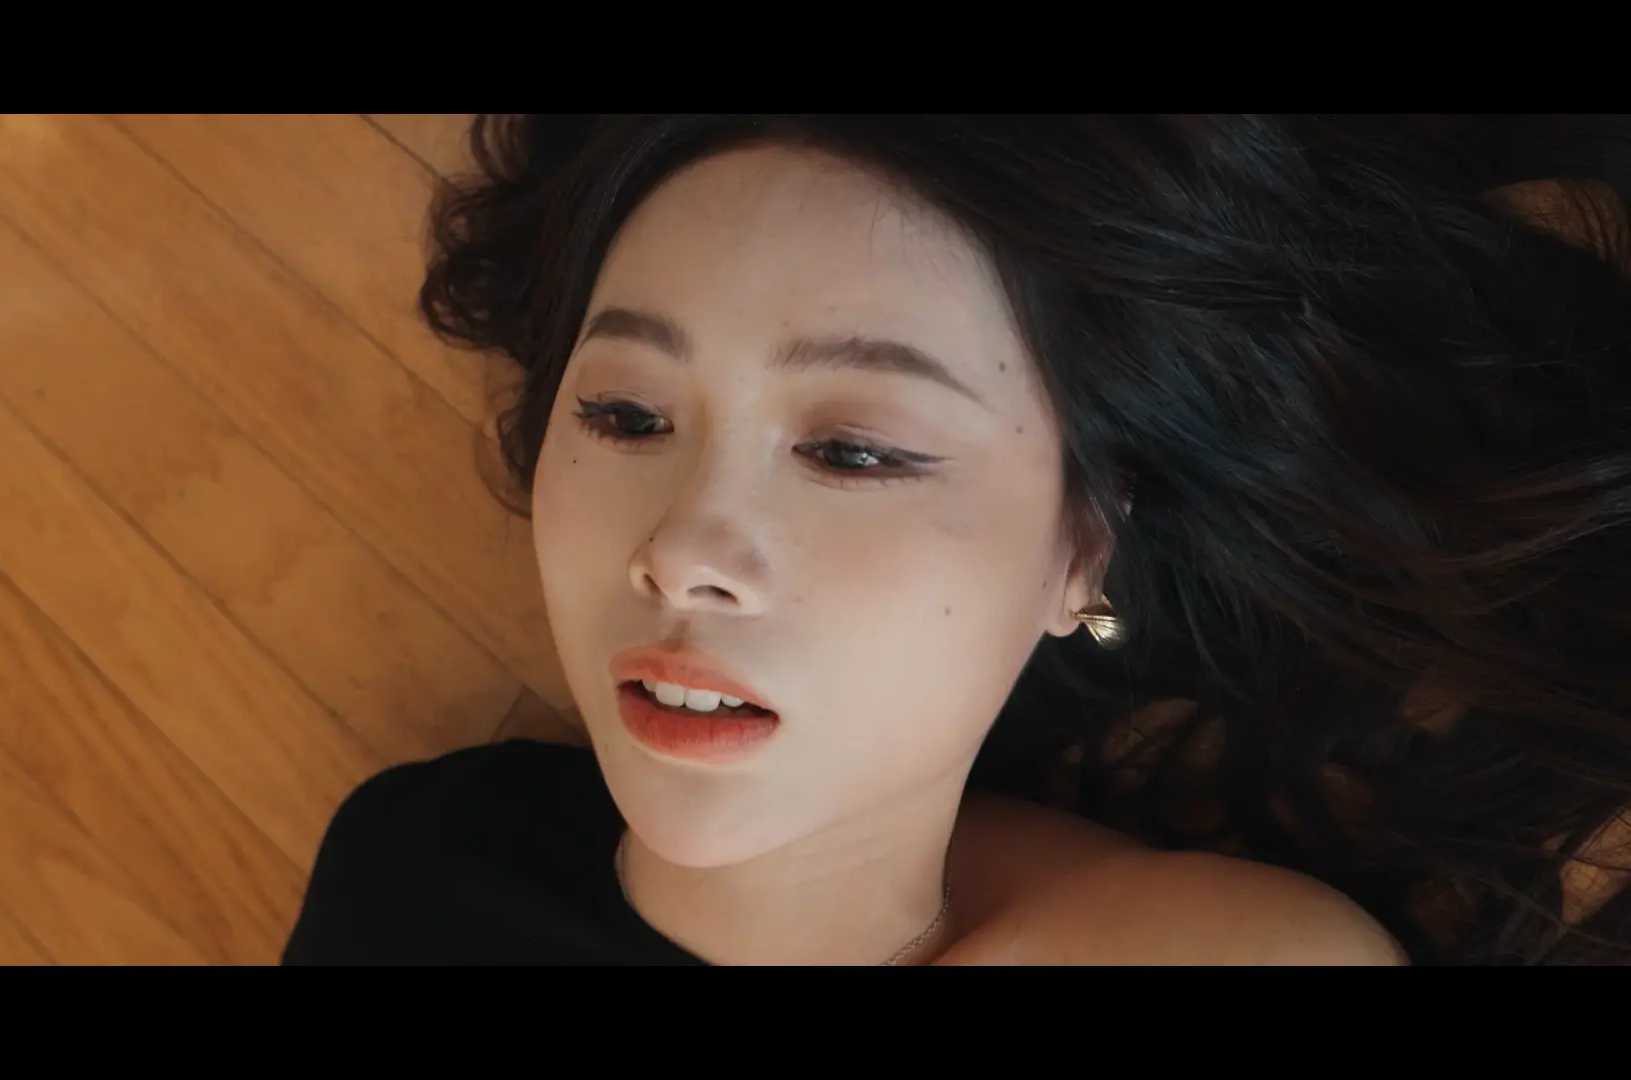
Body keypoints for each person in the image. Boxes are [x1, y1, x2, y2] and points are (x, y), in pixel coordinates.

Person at [282, 115, 1631, 965]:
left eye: (856, 450)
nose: (683, 547)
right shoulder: (410, 865)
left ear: (1080, 556)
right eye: (627, 415)